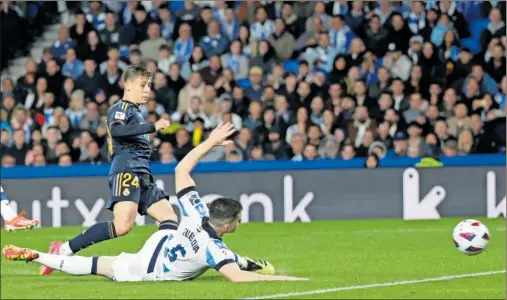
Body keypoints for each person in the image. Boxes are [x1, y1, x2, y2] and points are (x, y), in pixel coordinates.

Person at [2, 123, 308, 283]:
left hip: (164, 240)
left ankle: (46, 253)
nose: (240, 223)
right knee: (92, 268)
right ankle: (40, 255)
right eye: (239, 220)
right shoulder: (215, 249)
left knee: (169, 220)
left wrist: (210, 142)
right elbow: (237, 277)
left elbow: (180, 169)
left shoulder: (197, 211)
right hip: (146, 269)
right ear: (228, 225)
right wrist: (290, 278)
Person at [39, 64, 176, 275]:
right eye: (142, 85)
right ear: (128, 85)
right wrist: (153, 126)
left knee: (170, 219)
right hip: (126, 171)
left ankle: (165, 265)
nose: (147, 89)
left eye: (149, 85)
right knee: (122, 226)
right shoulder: (121, 108)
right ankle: (63, 249)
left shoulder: (136, 112)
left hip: (143, 173)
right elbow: (118, 131)